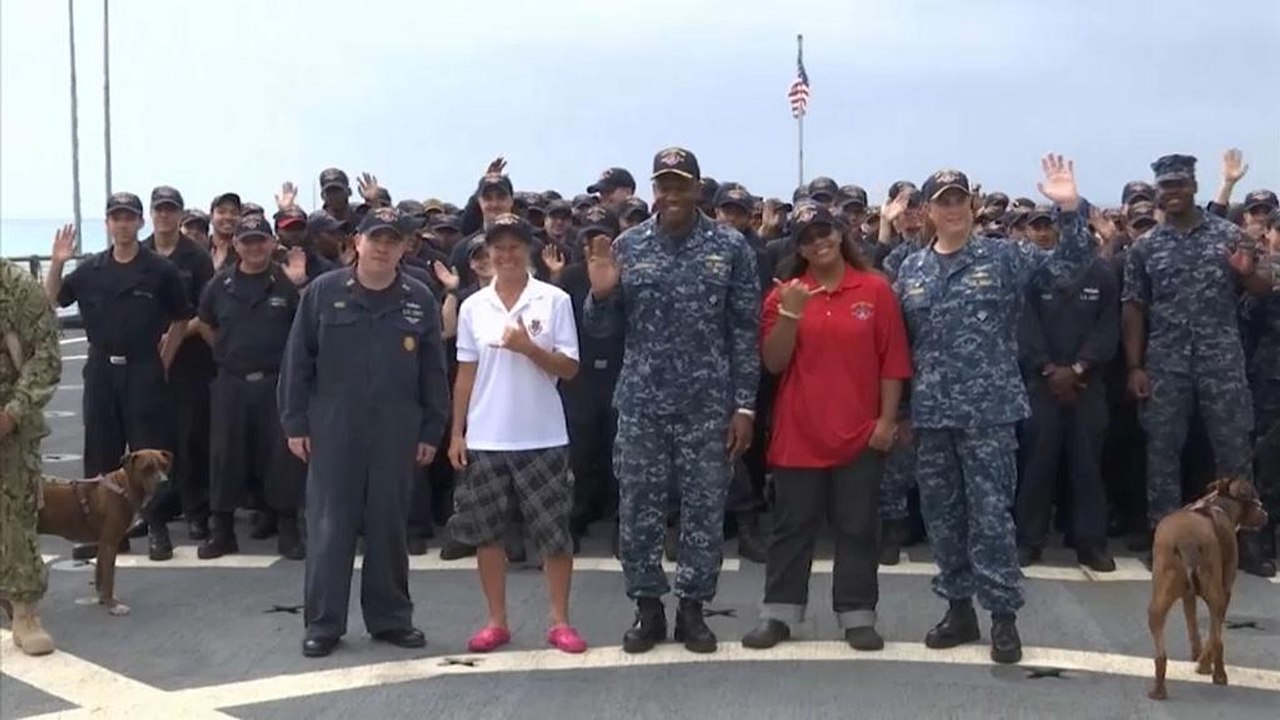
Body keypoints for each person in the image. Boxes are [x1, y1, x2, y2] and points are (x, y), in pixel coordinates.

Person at [893, 157, 1092, 665]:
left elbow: (1069, 268)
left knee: (991, 518)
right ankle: (959, 609)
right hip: (933, 415)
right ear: (928, 212)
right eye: (943, 202)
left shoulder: (1003, 258)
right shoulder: (909, 268)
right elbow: (896, 343)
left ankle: (1003, 617)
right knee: (943, 518)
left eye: (960, 199)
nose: (953, 208)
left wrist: (1068, 207)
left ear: (973, 206)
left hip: (989, 412)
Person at [583, 146, 760, 654]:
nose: (672, 194)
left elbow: (743, 330)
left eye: (681, 184)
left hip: (708, 404)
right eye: (663, 184)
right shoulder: (629, 246)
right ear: (654, 190)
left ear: (698, 190)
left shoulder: (730, 248)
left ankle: (692, 610)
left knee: (704, 512)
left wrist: (744, 406)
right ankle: (647, 608)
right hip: (642, 402)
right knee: (638, 509)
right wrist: (600, 295)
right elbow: (601, 331)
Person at [279, 206, 450, 658]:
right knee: (330, 528)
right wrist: (294, 422)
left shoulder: (420, 299)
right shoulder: (322, 293)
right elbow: (297, 362)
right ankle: (323, 623)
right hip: (334, 428)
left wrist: (432, 428)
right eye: (375, 237)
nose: (383, 246)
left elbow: (433, 372)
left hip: (397, 429)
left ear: (405, 247)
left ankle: (392, 618)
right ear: (357, 241)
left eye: (393, 240)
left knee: (389, 527)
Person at [741, 202, 911, 651]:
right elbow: (773, 362)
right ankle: (778, 613)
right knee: (792, 526)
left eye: (825, 233)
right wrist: (792, 312)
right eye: (807, 238)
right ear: (797, 246)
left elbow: (892, 361)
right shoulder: (784, 294)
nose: (819, 243)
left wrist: (887, 420)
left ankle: (857, 615)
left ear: (841, 234)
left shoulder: (875, 290)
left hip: (860, 432)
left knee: (858, 526)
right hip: (799, 432)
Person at [1121, 154, 1273, 575]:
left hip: (1220, 362)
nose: (1172, 193)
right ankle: (1166, 543)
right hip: (1166, 364)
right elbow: (1133, 308)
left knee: (1233, 453)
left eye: (1179, 184)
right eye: (1164, 187)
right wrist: (1134, 366)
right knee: (1163, 453)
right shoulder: (1145, 247)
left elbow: (1262, 286)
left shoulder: (1228, 236)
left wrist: (1245, 273)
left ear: (1194, 186)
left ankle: (1244, 544)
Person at [447, 213, 585, 654]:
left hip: (542, 435)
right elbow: (465, 374)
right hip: (487, 437)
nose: (506, 255)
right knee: (487, 535)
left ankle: (560, 621)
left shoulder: (554, 300)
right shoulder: (472, 306)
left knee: (553, 534)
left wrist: (529, 348)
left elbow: (570, 368)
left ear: (529, 250)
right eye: (498, 247)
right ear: (486, 253)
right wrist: (457, 432)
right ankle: (496, 620)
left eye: (514, 246)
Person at [45, 194, 191, 562]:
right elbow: (53, 298)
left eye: (129, 218)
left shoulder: (160, 270)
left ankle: (156, 528)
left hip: (143, 367)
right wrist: (57, 263)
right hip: (101, 369)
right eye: (116, 218)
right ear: (107, 224)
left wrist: (166, 359)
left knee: (149, 455)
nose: (122, 224)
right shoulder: (91, 270)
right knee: (101, 452)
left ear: (140, 223)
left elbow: (180, 317)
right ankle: (104, 532)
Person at [195, 215, 306, 560]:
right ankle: (223, 531)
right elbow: (206, 325)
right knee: (225, 456)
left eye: (261, 241)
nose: (255, 247)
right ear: (237, 245)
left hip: (275, 383)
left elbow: (301, 334)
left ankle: (287, 529)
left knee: (281, 458)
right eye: (247, 242)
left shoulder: (286, 287)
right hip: (232, 383)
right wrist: (230, 355)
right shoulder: (219, 285)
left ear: (272, 244)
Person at [1015, 207, 1119, 572]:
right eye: (1038, 225)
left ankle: (1090, 543)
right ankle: (1028, 540)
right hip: (1041, 383)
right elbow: (1023, 326)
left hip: (1087, 384)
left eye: (1052, 225)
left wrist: (1077, 369)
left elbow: (1108, 329)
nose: (1046, 231)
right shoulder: (1031, 274)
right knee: (1036, 464)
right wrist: (1048, 369)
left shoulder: (1101, 272)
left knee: (1087, 465)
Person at [142, 185, 216, 553]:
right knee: (153, 440)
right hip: (146, 362)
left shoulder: (197, 258)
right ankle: (154, 512)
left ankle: (196, 510)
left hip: (189, 360)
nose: (165, 216)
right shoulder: (138, 253)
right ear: (152, 214)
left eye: (171, 210)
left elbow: (204, 311)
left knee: (191, 438)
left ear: (180, 214)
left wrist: (174, 336)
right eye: (159, 209)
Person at [0, 256, 62, 656]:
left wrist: (14, 411)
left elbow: (46, 355)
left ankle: (25, 612)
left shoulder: (17, 287)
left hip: (10, 425)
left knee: (16, 514)